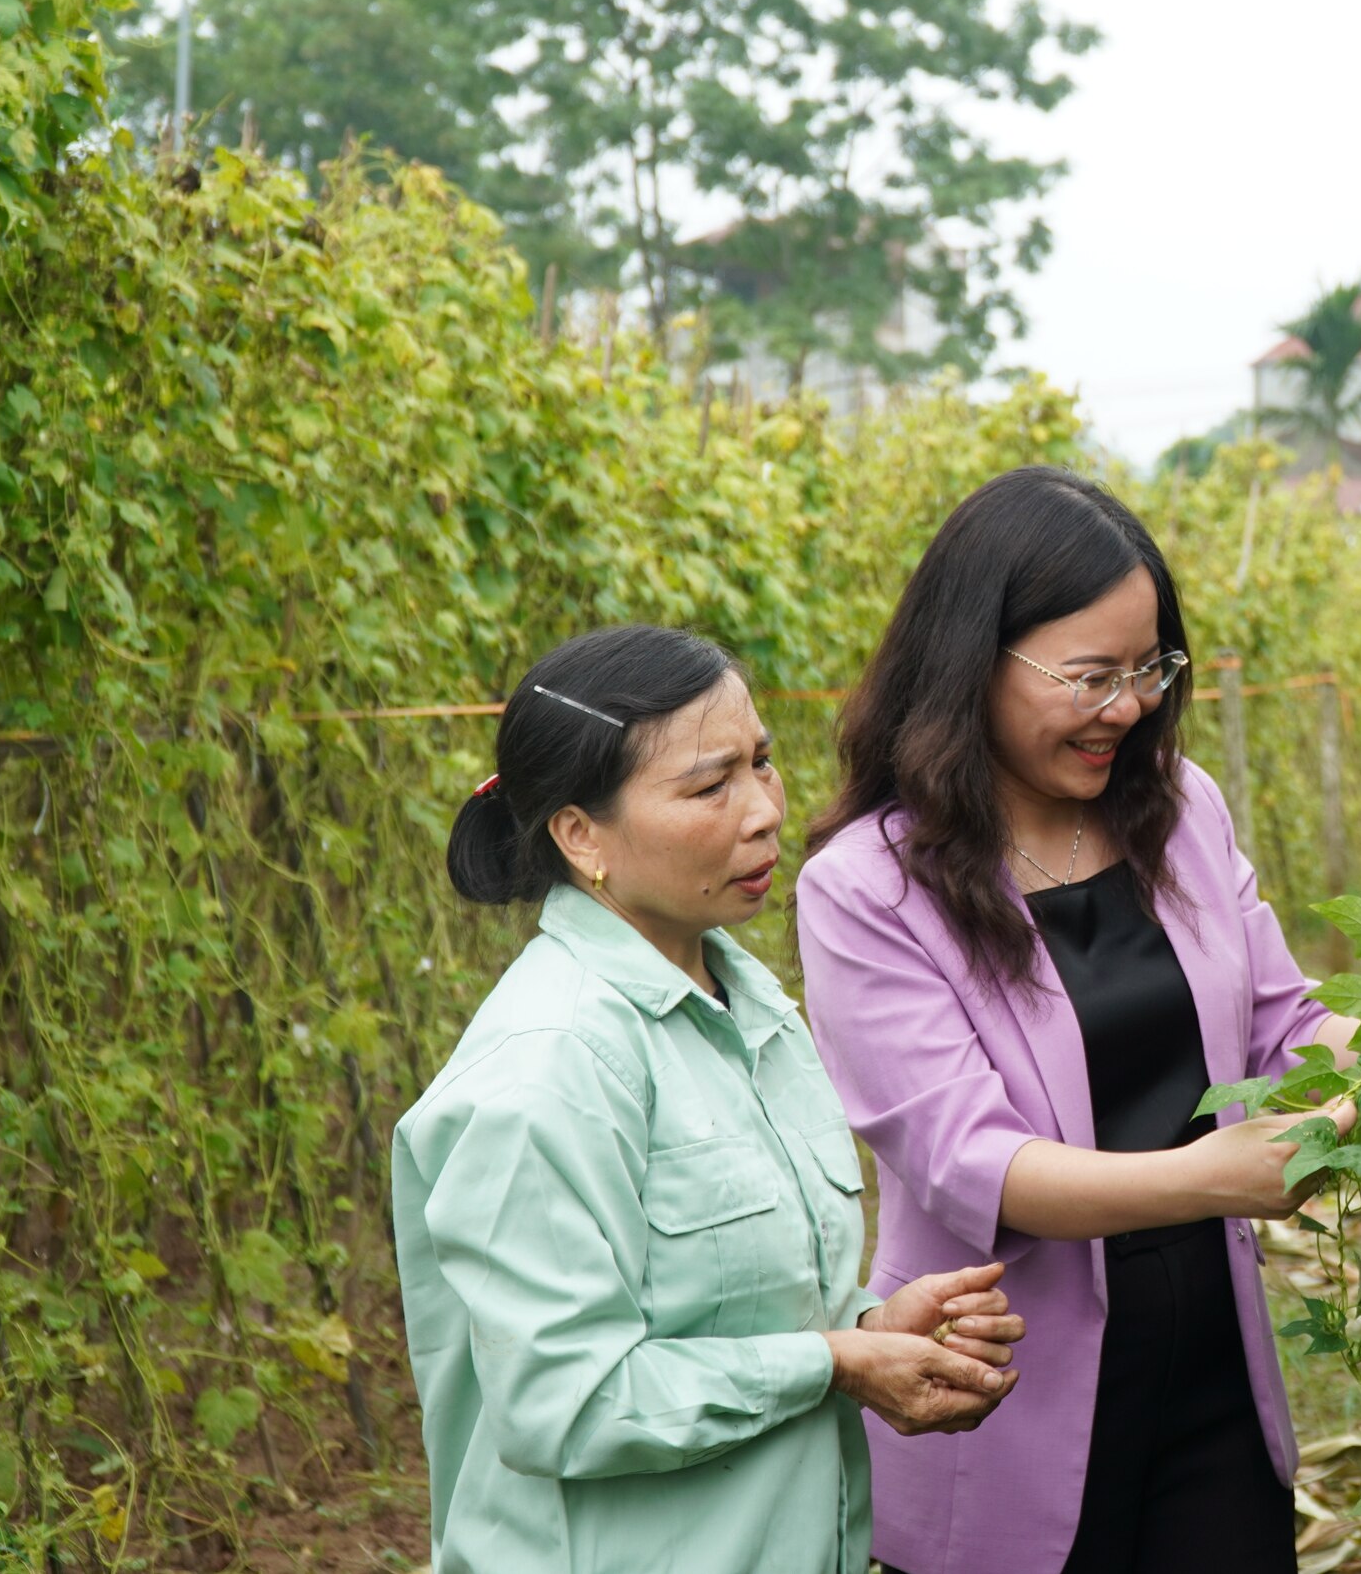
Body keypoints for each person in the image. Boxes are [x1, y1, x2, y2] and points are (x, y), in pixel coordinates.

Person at [794, 471, 1361, 1574]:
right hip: (1004, 1390)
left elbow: (1280, 1032)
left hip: (1210, 1380)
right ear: (972, 660)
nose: (1128, 707)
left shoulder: (1177, 811)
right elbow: (973, 1161)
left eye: (1148, 669)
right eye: (1088, 675)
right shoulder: (867, 887)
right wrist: (1220, 1178)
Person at [394, 623, 1025, 1574]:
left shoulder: (748, 1007)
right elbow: (567, 1398)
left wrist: (863, 1326)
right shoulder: (549, 1068)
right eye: (707, 785)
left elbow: (717, 1310)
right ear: (581, 836)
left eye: (761, 762)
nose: (764, 809)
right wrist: (835, 1364)